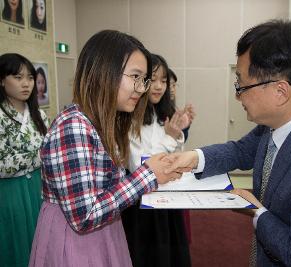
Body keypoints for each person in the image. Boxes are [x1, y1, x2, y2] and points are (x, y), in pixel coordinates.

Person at [164, 19, 291, 266]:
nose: (237, 94)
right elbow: (242, 150)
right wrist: (194, 158)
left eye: (240, 85)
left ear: (280, 91)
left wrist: (256, 211)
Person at [28, 30, 183, 267]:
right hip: (76, 240)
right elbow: (85, 216)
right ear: (103, 72)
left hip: (104, 230)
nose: (141, 89)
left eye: (144, 80)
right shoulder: (73, 127)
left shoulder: (102, 122)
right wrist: (148, 175)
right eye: (135, 77)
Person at [122, 54, 191, 267]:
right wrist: (170, 138)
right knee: (148, 255)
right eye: (153, 79)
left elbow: (170, 159)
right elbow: (141, 164)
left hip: (166, 196)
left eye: (164, 81)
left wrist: (178, 133)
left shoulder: (162, 112)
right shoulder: (130, 116)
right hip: (141, 201)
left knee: (170, 253)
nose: (159, 86)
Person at [0, 53, 49, 267]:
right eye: (18, 77)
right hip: (10, 192)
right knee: (16, 244)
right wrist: (40, 156)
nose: (26, 84)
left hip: (40, 188)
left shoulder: (40, 116)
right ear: (2, 80)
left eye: (30, 77)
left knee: (42, 244)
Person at [168, 68, 195, 143]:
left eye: (173, 85)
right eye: (168, 85)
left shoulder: (173, 109)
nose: (172, 89)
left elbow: (181, 141)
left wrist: (185, 126)